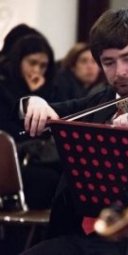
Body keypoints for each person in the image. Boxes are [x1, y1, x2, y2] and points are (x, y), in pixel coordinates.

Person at [20, 9, 128, 255]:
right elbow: (52, 111)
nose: (120, 72)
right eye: (109, 62)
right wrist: (35, 102)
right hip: (86, 233)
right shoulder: (103, 100)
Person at [0, 26, 61, 210]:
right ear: (19, 62)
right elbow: (15, 132)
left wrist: (39, 94)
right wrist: (34, 97)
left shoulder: (52, 89)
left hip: (38, 157)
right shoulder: (3, 88)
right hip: (14, 161)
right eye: (32, 63)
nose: (37, 71)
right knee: (47, 180)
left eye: (43, 66)